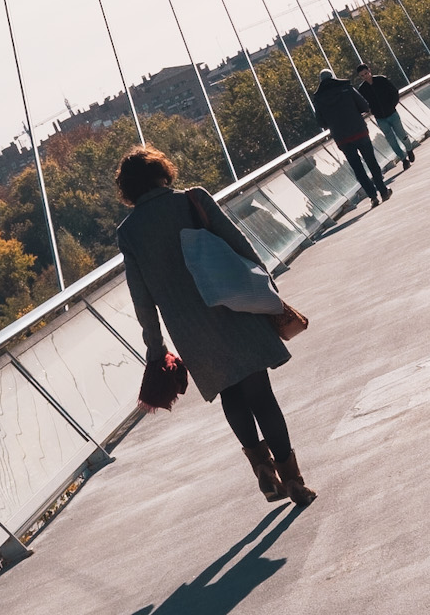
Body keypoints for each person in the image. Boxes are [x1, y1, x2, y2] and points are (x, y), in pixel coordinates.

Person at [115, 144, 316, 506]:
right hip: (234, 309)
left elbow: (141, 296)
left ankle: (264, 472)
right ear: (162, 171)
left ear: (129, 189)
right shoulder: (192, 200)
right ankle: (294, 480)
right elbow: (239, 245)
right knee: (262, 396)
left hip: (191, 331)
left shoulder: (128, 232)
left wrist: (156, 347)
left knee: (231, 395)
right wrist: (268, 291)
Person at [311, 66, 392, 206]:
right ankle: (383, 191)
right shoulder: (346, 87)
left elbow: (321, 122)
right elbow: (364, 106)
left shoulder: (318, 98)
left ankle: (372, 197)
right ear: (333, 76)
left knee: (357, 168)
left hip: (342, 138)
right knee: (371, 161)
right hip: (359, 130)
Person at [354, 60, 416, 169]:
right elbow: (362, 104)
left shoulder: (381, 80)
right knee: (391, 140)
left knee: (402, 135)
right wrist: (370, 111)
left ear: (370, 71)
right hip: (380, 118)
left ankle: (409, 149)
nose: (365, 77)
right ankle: (403, 159)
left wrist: (392, 105)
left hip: (392, 114)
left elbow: (394, 92)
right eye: (362, 76)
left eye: (366, 73)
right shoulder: (362, 89)